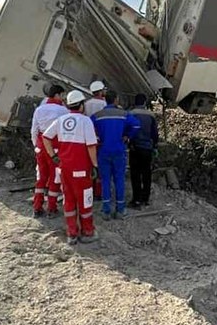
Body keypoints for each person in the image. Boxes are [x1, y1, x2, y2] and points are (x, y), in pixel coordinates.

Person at [42, 90, 99, 245]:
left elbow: (45, 137)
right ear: (81, 105)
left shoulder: (61, 120)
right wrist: (95, 165)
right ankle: (87, 232)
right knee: (85, 201)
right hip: (82, 170)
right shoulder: (86, 121)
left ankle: (71, 233)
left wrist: (53, 156)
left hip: (64, 169)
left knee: (69, 201)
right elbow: (91, 146)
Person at [91, 90, 140, 220]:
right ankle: (120, 209)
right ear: (116, 99)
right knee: (119, 180)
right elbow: (136, 125)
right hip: (119, 150)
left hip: (103, 151)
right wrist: (127, 137)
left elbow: (89, 128)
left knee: (105, 180)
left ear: (105, 99)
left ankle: (106, 210)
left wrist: (97, 138)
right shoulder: (124, 114)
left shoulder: (97, 115)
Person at [30, 84, 69, 218]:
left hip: (41, 148)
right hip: (55, 149)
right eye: (63, 95)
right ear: (58, 95)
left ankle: (37, 206)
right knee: (55, 178)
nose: (64, 98)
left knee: (41, 177)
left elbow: (34, 131)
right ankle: (51, 208)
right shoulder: (64, 111)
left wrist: (37, 146)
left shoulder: (39, 110)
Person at [128, 94, 159, 208]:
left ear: (135, 102)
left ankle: (136, 200)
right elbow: (155, 133)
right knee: (146, 174)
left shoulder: (130, 114)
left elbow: (127, 130)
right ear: (145, 102)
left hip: (134, 148)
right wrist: (155, 146)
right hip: (147, 148)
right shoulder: (151, 115)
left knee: (135, 174)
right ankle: (145, 199)